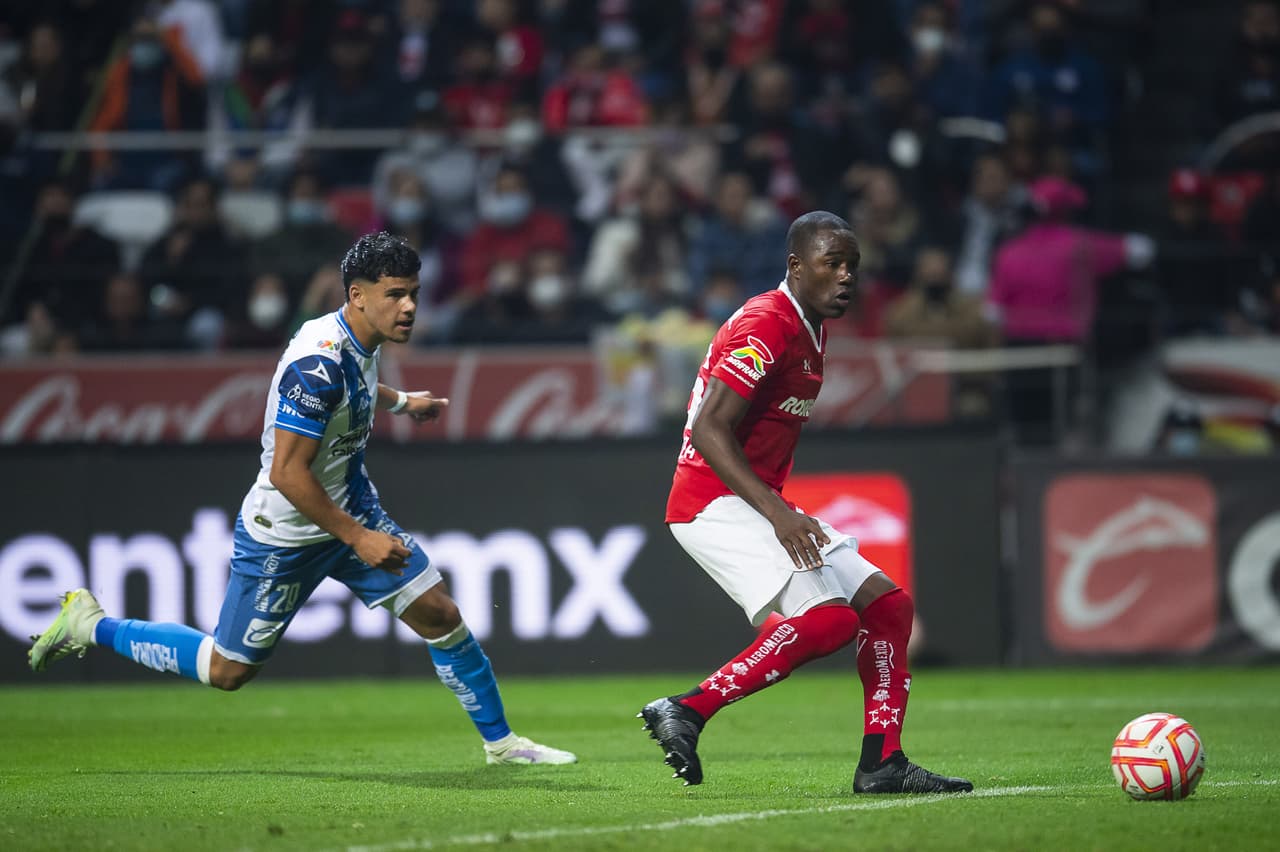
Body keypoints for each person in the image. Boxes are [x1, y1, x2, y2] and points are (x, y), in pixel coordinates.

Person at [28, 231, 577, 768]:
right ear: (357, 295)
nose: (409, 306)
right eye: (395, 294)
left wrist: (404, 402)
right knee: (227, 671)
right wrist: (358, 538)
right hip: (286, 533)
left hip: (349, 506)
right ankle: (89, 623)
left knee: (440, 614)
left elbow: (358, 388)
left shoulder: (360, 340)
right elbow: (287, 472)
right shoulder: (315, 365)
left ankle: (503, 746)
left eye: (413, 292)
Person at [639, 211, 971, 794]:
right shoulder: (769, 323)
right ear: (795, 266)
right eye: (831, 263)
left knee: (889, 608)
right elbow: (710, 429)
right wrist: (779, 513)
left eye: (852, 267)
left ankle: (883, 763)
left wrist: (776, 507)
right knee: (830, 620)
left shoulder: (809, 326)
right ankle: (687, 709)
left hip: (750, 498)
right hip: (710, 502)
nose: (846, 277)